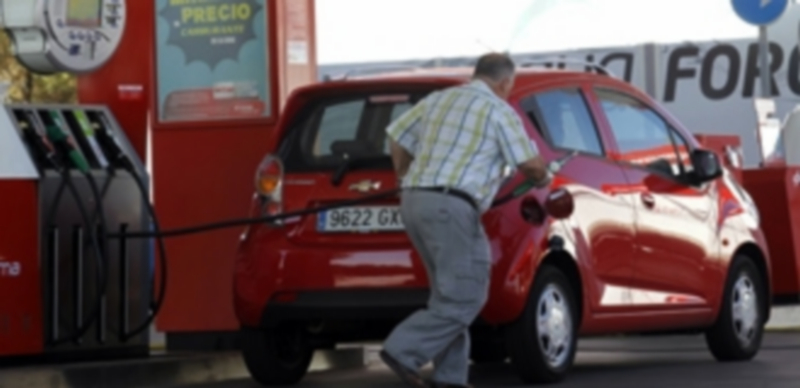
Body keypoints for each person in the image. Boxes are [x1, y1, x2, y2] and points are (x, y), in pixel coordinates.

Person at [380, 53, 553, 388]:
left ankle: (450, 379)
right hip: (451, 206)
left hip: (414, 201)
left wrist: (402, 174)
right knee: (467, 296)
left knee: (447, 297)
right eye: (510, 86)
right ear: (504, 83)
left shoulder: (439, 99)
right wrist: (544, 178)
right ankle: (403, 350)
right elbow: (531, 166)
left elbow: (397, 135)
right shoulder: (499, 110)